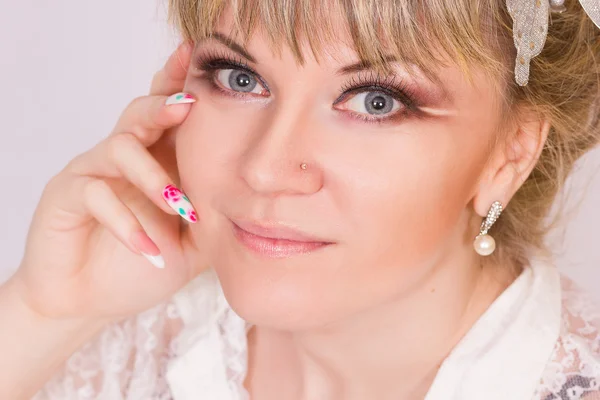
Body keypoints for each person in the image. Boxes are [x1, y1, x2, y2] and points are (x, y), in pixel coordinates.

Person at [1, 0, 600, 398]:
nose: (264, 169)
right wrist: (46, 311)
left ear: (511, 154)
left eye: (375, 101)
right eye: (240, 78)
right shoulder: (128, 340)